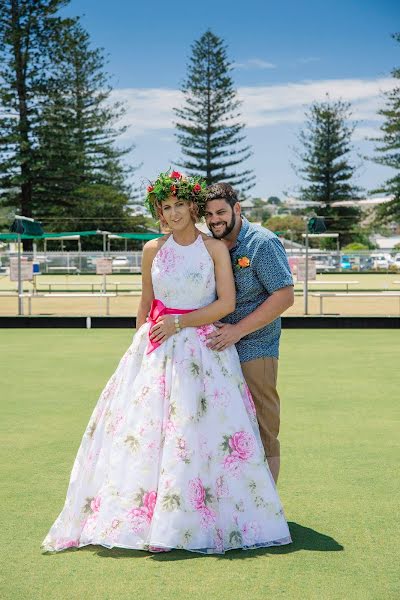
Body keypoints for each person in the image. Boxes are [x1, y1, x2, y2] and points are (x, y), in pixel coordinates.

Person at [41, 170, 291, 555]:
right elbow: (145, 302)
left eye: (179, 205)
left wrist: (179, 322)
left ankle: (236, 511)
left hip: (211, 347)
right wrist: (138, 347)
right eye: (165, 207)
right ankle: (152, 517)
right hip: (159, 351)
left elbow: (229, 302)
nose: (173, 214)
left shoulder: (219, 248)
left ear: (194, 207)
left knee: (207, 432)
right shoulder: (152, 250)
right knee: (152, 433)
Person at [204, 183, 294, 484]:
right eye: (208, 214)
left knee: (263, 425)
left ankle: (269, 511)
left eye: (221, 212)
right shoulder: (208, 245)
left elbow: (284, 296)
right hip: (216, 350)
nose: (214, 219)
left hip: (256, 347)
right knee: (224, 427)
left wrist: (238, 331)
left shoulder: (262, 243)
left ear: (237, 209)